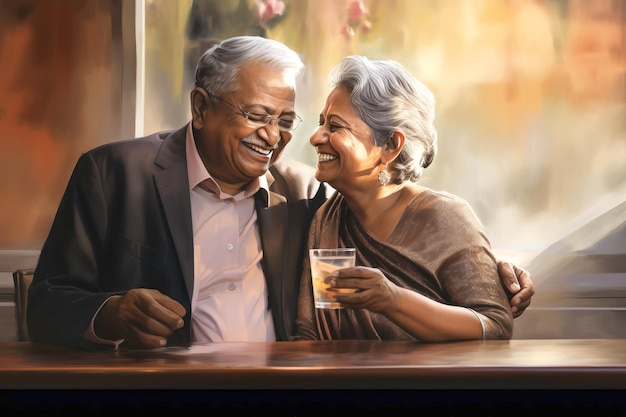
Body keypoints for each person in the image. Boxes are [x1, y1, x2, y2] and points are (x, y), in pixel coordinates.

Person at [27, 36, 533, 350]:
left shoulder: (300, 192)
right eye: (257, 115)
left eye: (286, 121)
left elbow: (409, 214)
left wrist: (492, 270)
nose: (275, 136)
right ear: (200, 108)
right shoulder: (113, 173)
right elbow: (47, 304)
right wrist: (111, 313)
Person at [294, 55, 516, 341]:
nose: (315, 137)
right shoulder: (328, 222)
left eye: (335, 126)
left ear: (390, 146)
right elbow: (313, 334)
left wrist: (393, 300)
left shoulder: (444, 218)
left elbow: (495, 327)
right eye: (321, 122)